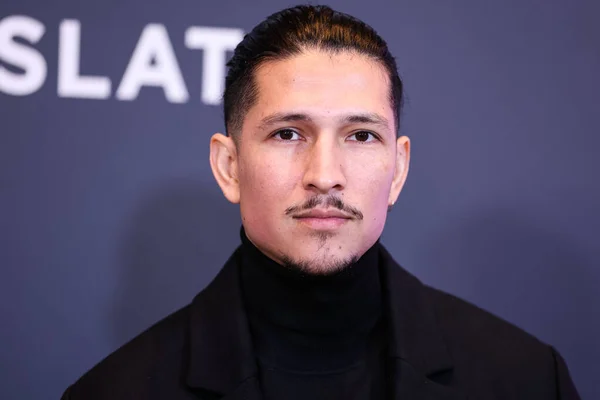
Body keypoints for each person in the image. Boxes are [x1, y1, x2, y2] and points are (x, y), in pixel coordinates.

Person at [61, 4, 580, 399]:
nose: (325, 176)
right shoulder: (115, 391)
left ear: (398, 169)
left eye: (360, 136)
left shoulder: (527, 378)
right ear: (229, 166)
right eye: (288, 133)